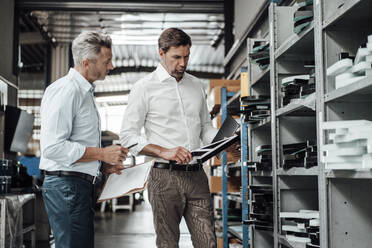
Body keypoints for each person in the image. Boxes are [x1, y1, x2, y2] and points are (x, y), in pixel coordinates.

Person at [120, 28, 218, 248]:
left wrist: (224, 138)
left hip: (197, 176)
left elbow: (204, 127)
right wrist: (164, 151)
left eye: (186, 57)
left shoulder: (196, 85)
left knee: (208, 242)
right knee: (167, 243)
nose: (183, 63)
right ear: (161, 53)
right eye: (176, 57)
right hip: (163, 177)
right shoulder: (143, 88)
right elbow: (128, 137)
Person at [40, 31, 128, 248]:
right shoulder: (67, 91)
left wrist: (101, 164)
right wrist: (101, 153)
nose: (111, 66)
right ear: (86, 62)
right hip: (67, 187)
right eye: (106, 61)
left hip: (76, 186)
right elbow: (52, 147)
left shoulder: (84, 92)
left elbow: (75, 144)